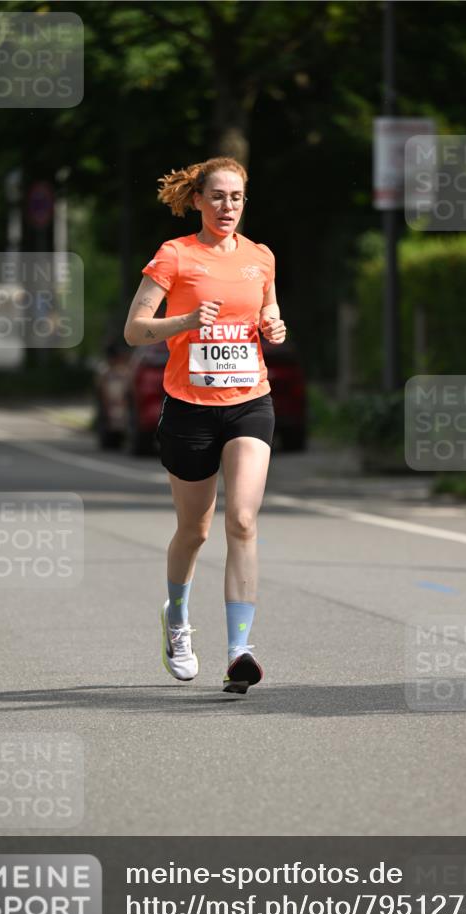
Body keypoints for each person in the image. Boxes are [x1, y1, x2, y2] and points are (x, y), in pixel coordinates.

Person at [124, 156, 287, 694]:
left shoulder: (260, 258)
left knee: (241, 519)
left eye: (236, 197)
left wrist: (274, 326)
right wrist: (188, 321)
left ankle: (240, 649)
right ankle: (176, 620)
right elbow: (135, 330)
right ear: (197, 200)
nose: (227, 207)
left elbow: (269, 315)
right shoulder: (175, 255)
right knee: (194, 530)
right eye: (217, 196)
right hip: (189, 406)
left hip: (249, 400)